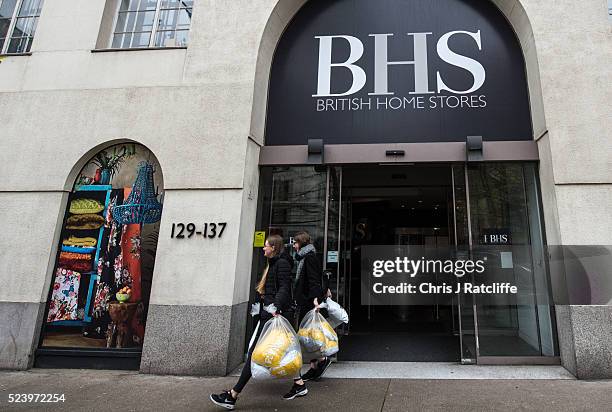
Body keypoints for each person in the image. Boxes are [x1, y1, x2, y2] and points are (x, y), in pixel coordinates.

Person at [210, 235, 306, 410]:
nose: (263, 248)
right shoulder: (275, 263)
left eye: (266, 246)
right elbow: (276, 286)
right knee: (285, 350)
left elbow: (285, 287)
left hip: (274, 314)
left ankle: (232, 395)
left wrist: (275, 305)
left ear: (274, 248)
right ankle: (299, 383)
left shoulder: (281, 264)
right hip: (272, 312)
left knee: (255, 352)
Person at [292, 231, 333, 383]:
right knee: (307, 334)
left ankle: (322, 359)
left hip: (309, 301)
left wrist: (315, 299)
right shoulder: (305, 257)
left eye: (296, 243)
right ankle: (314, 366)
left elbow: (314, 279)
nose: (294, 246)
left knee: (307, 334)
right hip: (306, 300)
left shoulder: (309, 258)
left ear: (301, 243)